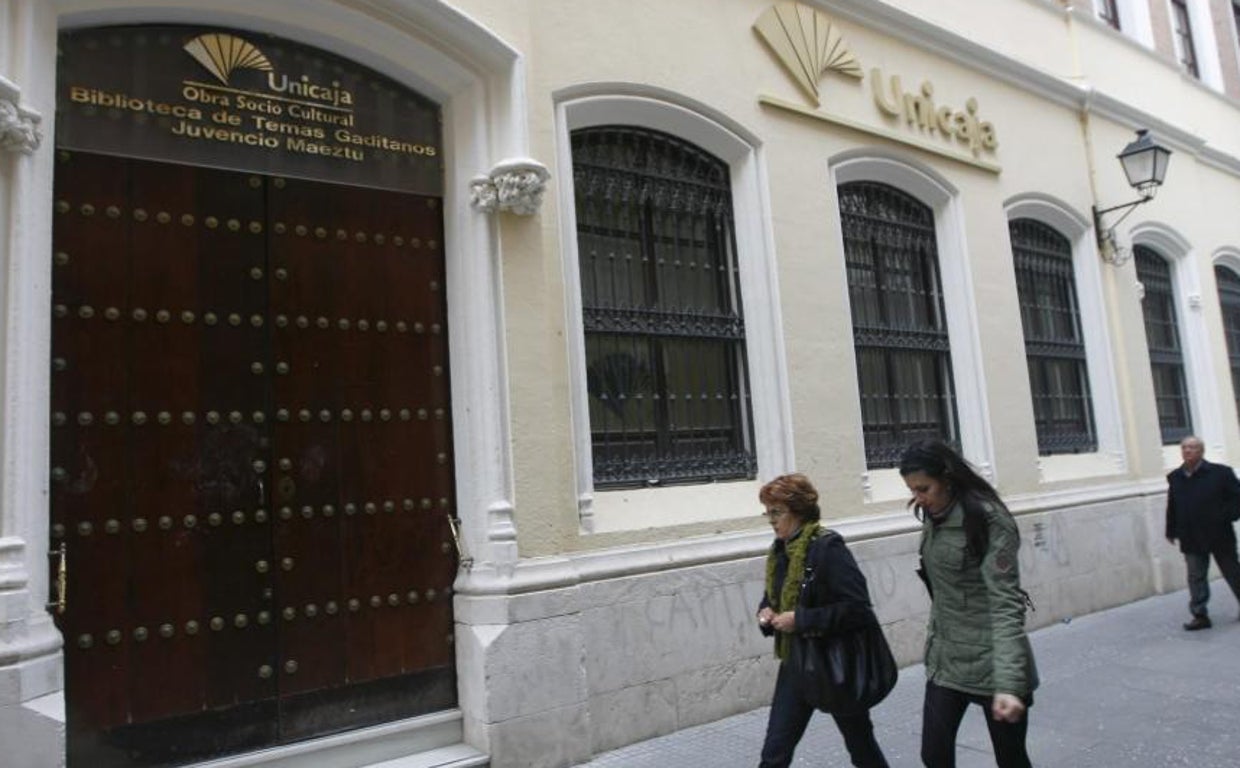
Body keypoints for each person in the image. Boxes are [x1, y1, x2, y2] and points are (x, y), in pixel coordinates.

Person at [898, 441, 1037, 768]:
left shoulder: (986, 519)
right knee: (933, 756)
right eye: (912, 490)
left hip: (993, 661)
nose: (918, 497)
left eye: (924, 488)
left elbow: (1005, 604)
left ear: (946, 478)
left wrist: (1008, 684)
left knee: (1011, 759)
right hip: (947, 660)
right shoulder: (933, 514)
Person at [755, 473, 889, 768]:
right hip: (797, 662)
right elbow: (774, 598)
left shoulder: (827, 549)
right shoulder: (780, 552)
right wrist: (766, 613)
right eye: (768, 513)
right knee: (774, 752)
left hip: (835, 662)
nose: (771, 520)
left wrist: (801, 620)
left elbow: (858, 608)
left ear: (799, 511)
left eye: (777, 512)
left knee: (861, 746)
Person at [1164, 435, 1240, 631]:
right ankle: (1199, 615)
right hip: (1190, 535)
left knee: (1233, 572)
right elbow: (1172, 505)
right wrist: (1171, 529)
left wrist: (1226, 516)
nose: (1187, 451)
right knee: (1195, 576)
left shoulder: (1220, 473)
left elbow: (1236, 498)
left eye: (1192, 448)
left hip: (1219, 534)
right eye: (1184, 448)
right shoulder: (1176, 477)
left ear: (1201, 451)